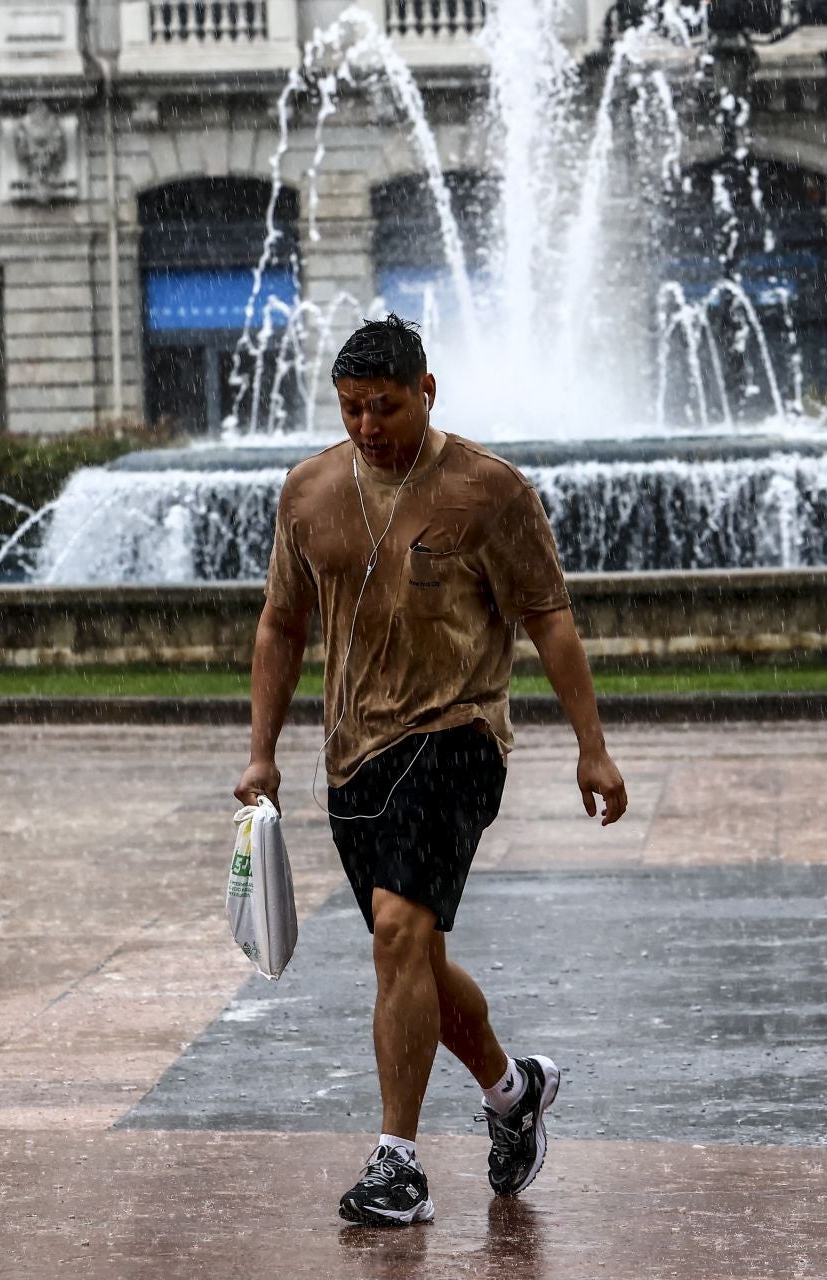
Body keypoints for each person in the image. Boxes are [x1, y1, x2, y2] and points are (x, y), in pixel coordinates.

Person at [235, 315, 629, 1227]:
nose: (368, 427)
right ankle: (512, 1090)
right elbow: (280, 626)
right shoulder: (309, 491)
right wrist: (261, 749)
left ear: (428, 391)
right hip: (352, 753)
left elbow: (550, 619)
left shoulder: (488, 491)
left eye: (385, 407)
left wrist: (592, 747)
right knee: (410, 952)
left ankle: (397, 1164)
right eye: (351, 409)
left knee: (399, 936)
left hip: (458, 737)